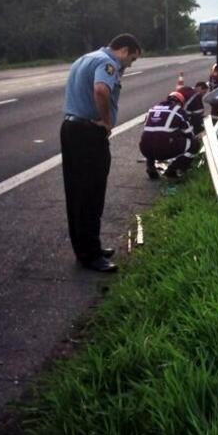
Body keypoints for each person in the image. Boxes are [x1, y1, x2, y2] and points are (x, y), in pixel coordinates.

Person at [60, 33, 141, 272]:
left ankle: (84, 248)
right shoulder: (108, 64)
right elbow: (101, 90)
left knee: (75, 193)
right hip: (88, 133)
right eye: (132, 59)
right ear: (124, 50)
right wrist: (106, 122)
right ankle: (92, 255)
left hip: (70, 128)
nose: (129, 65)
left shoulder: (85, 58)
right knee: (92, 194)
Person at [140, 86, 201, 180]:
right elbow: (189, 133)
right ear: (180, 103)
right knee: (195, 144)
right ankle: (172, 170)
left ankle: (151, 167)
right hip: (164, 149)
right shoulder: (178, 110)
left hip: (144, 148)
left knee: (151, 139)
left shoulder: (152, 109)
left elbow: (149, 130)